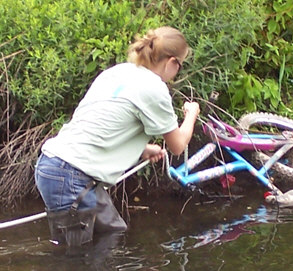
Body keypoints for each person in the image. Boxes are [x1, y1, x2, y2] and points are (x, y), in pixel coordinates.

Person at [34, 26, 200, 246]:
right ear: (171, 62)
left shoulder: (117, 72)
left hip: (61, 168)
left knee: (112, 232)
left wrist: (141, 149)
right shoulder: (154, 88)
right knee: (75, 259)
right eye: (180, 65)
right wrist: (191, 114)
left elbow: (102, 124)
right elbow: (178, 145)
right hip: (71, 176)